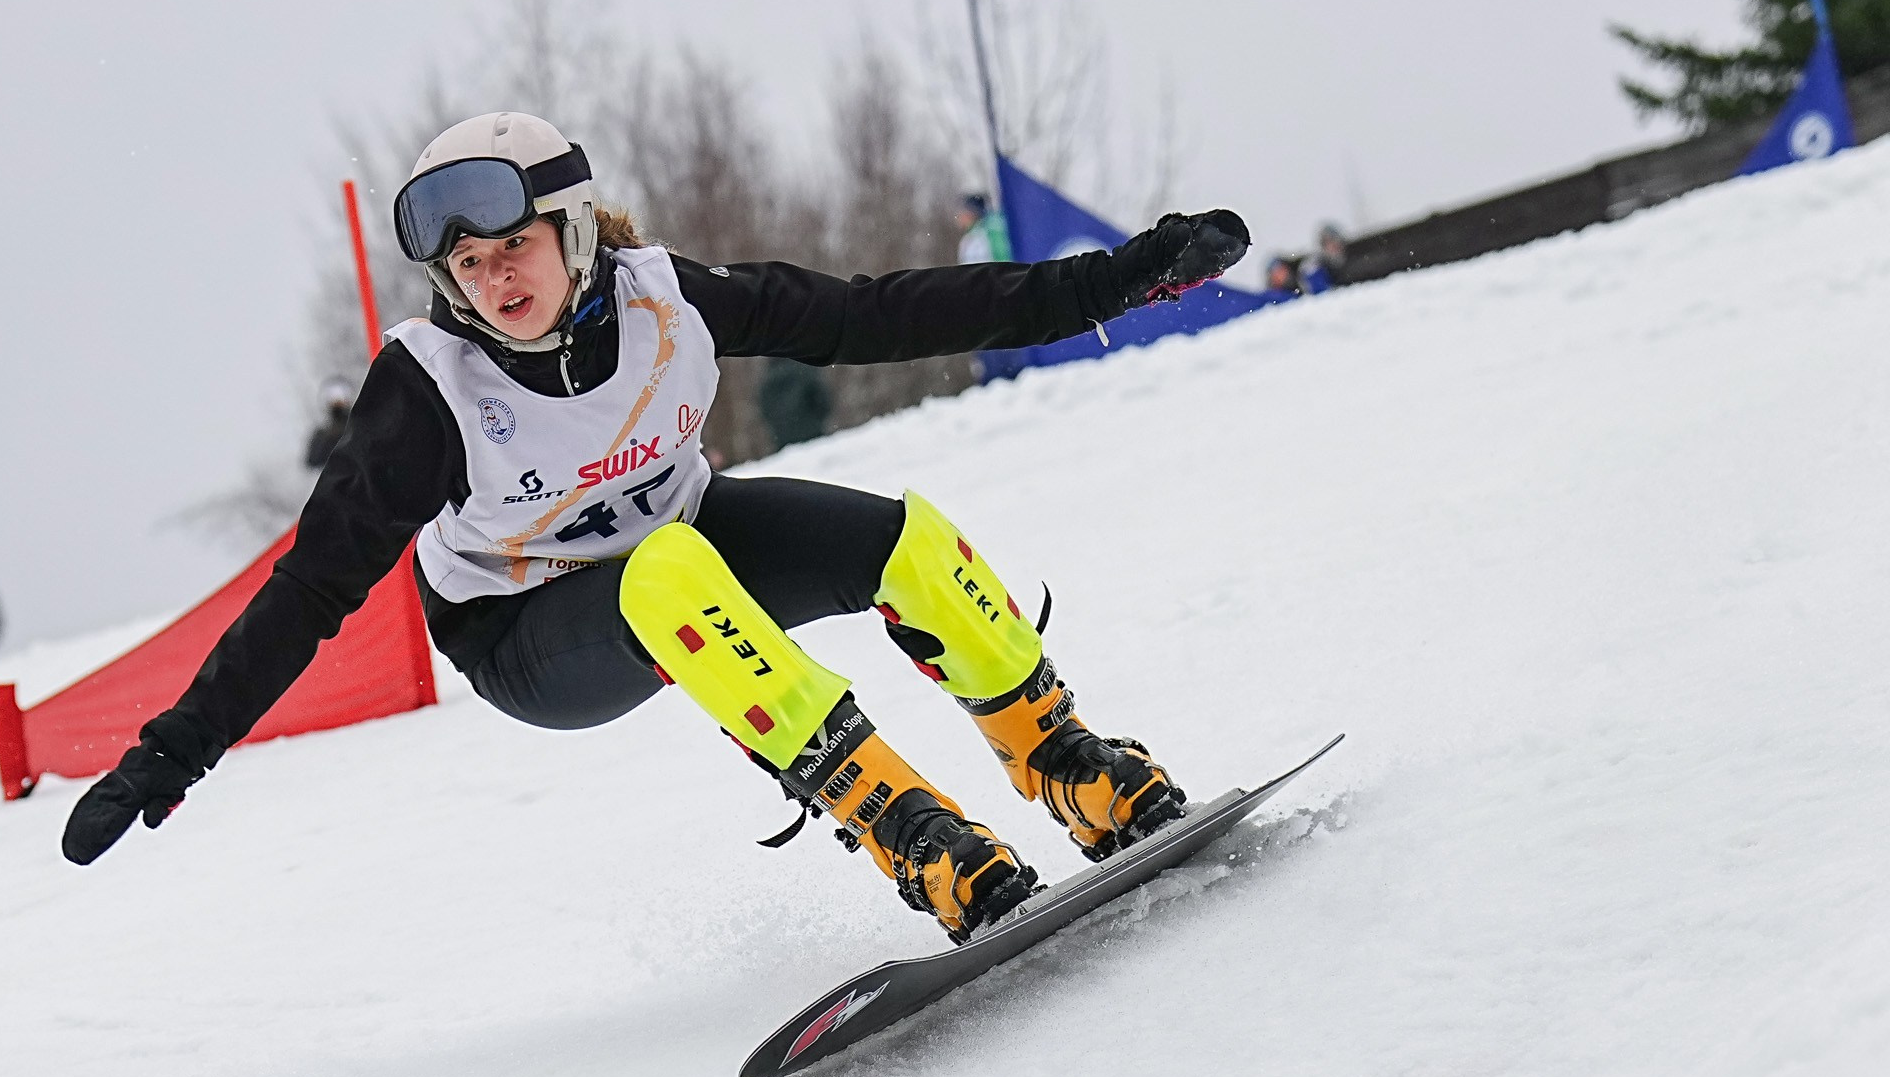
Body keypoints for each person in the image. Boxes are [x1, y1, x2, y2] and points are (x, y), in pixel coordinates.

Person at [62, 111, 1250, 944]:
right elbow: (311, 587)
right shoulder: (430, 390)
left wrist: (1114, 279)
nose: (496, 282)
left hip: (676, 553)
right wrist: (175, 750)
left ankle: (1066, 765)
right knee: (672, 568)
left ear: (574, 230)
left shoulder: (663, 299)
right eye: (468, 265)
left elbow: (873, 315)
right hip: (528, 637)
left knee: (907, 539)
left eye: (514, 245)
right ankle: (909, 831)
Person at [758, 356, 834, 449]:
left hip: (783, 442)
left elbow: (765, 411)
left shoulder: (767, 382)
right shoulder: (805, 371)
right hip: (812, 436)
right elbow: (822, 402)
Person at [303, 377, 356, 470]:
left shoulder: (357, 428)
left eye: (341, 397)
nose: (338, 402)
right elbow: (313, 461)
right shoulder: (322, 434)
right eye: (334, 398)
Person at [953, 191, 1008, 265]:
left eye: (963, 212)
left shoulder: (989, 232)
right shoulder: (970, 237)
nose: (960, 217)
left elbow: (1003, 258)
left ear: (972, 213)